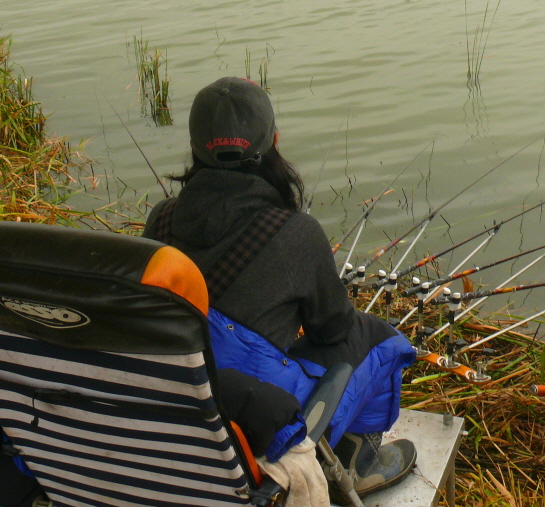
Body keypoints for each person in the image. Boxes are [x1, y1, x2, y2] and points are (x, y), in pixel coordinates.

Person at [142, 77, 417, 500]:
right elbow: (333, 329)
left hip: (179, 401)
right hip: (259, 422)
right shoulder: (296, 233)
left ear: (194, 148)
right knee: (378, 338)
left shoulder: (161, 219)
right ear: (273, 141)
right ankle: (356, 461)